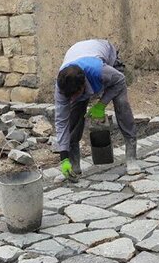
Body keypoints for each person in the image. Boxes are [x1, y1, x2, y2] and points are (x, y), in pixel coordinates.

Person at [54, 39, 140, 180]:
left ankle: (131, 157)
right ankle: (74, 165)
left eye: (74, 96)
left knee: (121, 104)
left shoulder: (101, 72)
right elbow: (61, 122)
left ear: (82, 87)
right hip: (79, 54)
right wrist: (63, 157)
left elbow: (120, 81)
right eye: (68, 97)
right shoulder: (62, 87)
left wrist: (101, 104)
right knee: (73, 118)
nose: (70, 99)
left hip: (107, 58)